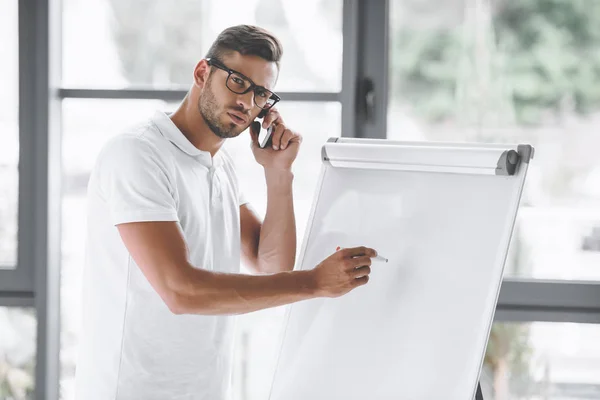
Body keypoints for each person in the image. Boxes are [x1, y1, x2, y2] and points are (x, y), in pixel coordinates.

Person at [75, 24, 378, 400]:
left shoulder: (219, 165)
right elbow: (180, 291)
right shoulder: (139, 154)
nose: (248, 103)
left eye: (261, 94)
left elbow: (271, 266)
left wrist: (277, 173)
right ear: (203, 73)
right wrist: (314, 283)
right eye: (238, 83)